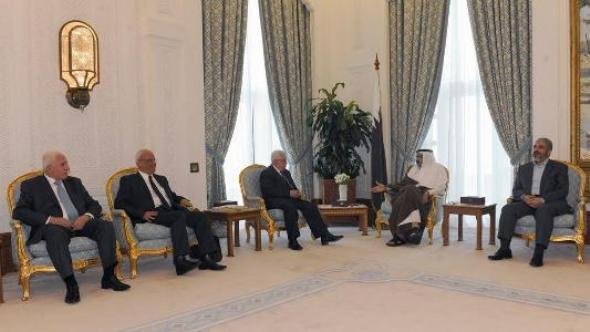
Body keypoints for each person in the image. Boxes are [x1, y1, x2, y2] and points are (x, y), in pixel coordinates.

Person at [13, 151, 130, 304]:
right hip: (55, 227)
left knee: (105, 226)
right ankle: (71, 284)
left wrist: (85, 217)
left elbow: (94, 205)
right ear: (49, 168)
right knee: (55, 235)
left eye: (67, 164)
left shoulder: (75, 182)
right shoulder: (31, 185)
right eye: (63, 164)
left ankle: (109, 277)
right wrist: (52, 220)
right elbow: (19, 211)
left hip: (80, 223)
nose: (67, 168)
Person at [115, 149, 226, 275]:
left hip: (171, 210)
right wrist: (141, 214)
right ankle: (181, 261)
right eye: (149, 161)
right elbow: (119, 203)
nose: (153, 164)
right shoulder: (129, 180)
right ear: (139, 163)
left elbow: (171, 197)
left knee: (200, 216)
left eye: (154, 160)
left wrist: (181, 199)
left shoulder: (161, 179)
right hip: (153, 213)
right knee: (178, 217)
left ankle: (207, 258)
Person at [488, 138, 570, 267]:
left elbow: (563, 190)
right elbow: (516, 190)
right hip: (528, 200)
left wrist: (543, 200)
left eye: (541, 147)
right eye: (535, 147)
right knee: (507, 209)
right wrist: (524, 197)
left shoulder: (559, 168)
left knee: (544, 210)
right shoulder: (524, 168)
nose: (536, 150)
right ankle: (505, 249)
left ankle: (538, 252)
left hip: (549, 202)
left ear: (549, 152)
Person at [260, 150, 343, 250]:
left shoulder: (286, 172)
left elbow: (292, 186)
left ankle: (324, 235)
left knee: (310, 206)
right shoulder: (266, 173)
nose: (285, 163)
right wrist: (289, 193)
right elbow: (268, 191)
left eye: (285, 161)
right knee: (290, 208)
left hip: (289, 199)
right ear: (275, 161)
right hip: (274, 201)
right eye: (283, 161)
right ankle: (293, 241)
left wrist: (297, 192)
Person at [372, 149, 447, 247]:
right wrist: (386, 187)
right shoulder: (413, 170)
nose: (417, 159)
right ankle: (413, 230)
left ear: (428, 157)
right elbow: (401, 185)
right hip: (406, 194)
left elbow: (442, 187)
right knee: (407, 192)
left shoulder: (438, 168)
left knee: (409, 191)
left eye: (420, 157)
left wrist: (429, 192)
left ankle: (398, 235)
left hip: (424, 199)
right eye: (416, 157)